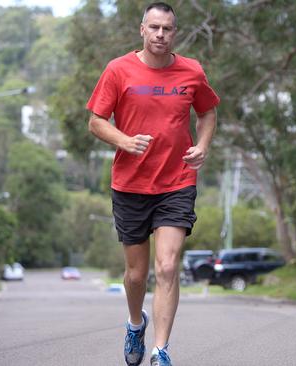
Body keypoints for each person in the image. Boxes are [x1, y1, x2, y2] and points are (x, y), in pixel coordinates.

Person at [86, 2, 219, 365]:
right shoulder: (118, 69)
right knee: (136, 274)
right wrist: (124, 141)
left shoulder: (191, 71)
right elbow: (96, 120)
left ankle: (161, 350)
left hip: (177, 181)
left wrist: (202, 146)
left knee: (167, 267)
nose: (161, 35)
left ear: (175, 33)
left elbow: (207, 112)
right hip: (130, 184)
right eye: (155, 28)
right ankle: (134, 323)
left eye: (168, 29)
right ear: (142, 30)